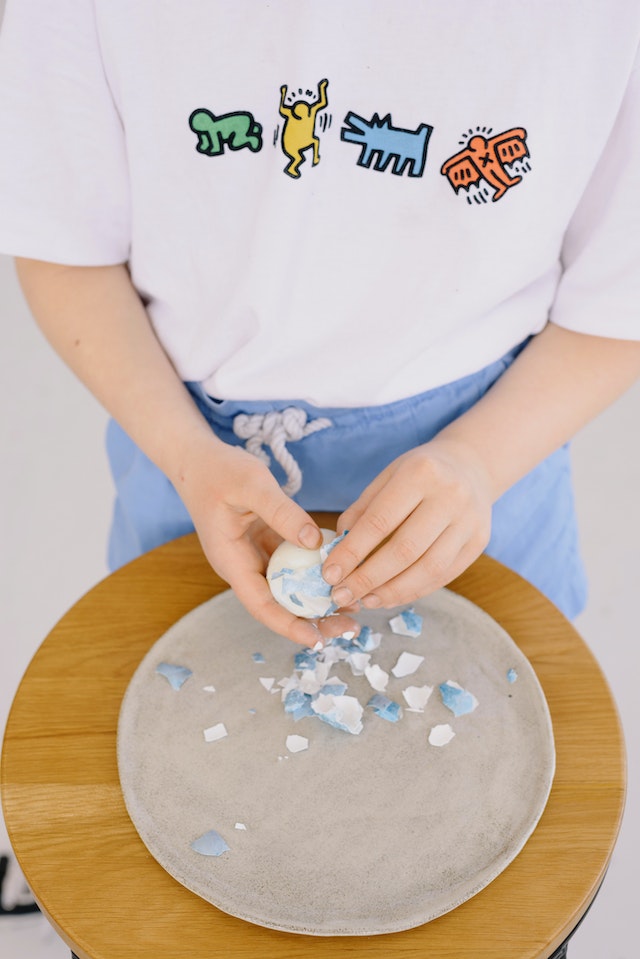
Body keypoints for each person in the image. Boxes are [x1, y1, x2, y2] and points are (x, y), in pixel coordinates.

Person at [0, 0, 639, 651]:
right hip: (185, 456)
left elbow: (619, 301)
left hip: (494, 461)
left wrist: (477, 460)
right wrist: (186, 454)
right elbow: (65, 246)